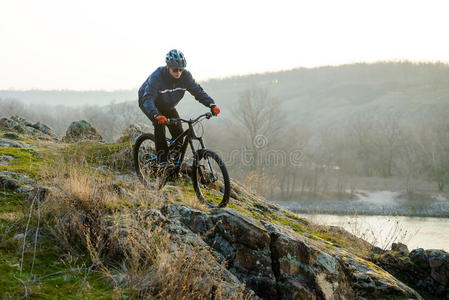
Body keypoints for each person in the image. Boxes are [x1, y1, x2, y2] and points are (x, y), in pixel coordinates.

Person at [138, 49, 220, 167]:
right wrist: (155, 114)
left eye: (181, 69)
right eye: (175, 70)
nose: (178, 72)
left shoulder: (186, 76)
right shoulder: (157, 77)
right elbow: (148, 98)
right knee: (159, 124)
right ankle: (162, 160)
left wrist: (212, 105)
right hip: (148, 102)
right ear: (167, 66)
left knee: (179, 135)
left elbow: (198, 92)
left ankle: (174, 167)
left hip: (168, 105)